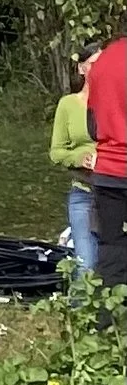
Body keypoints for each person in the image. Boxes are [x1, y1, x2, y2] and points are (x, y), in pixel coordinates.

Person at [78, 31, 127, 291]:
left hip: (109, 172)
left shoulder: (103, 61)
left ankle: (106, 324)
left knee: (112, 250)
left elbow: (92, 126)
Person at [52, 66, 99, 277]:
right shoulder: (68, 104)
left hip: (117, 192)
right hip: (84, 191)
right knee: (86, 263)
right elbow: (57, 152)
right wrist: (80, 159)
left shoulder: (118, 102)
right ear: (82, 67)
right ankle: (80, 309)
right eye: (95, 63)